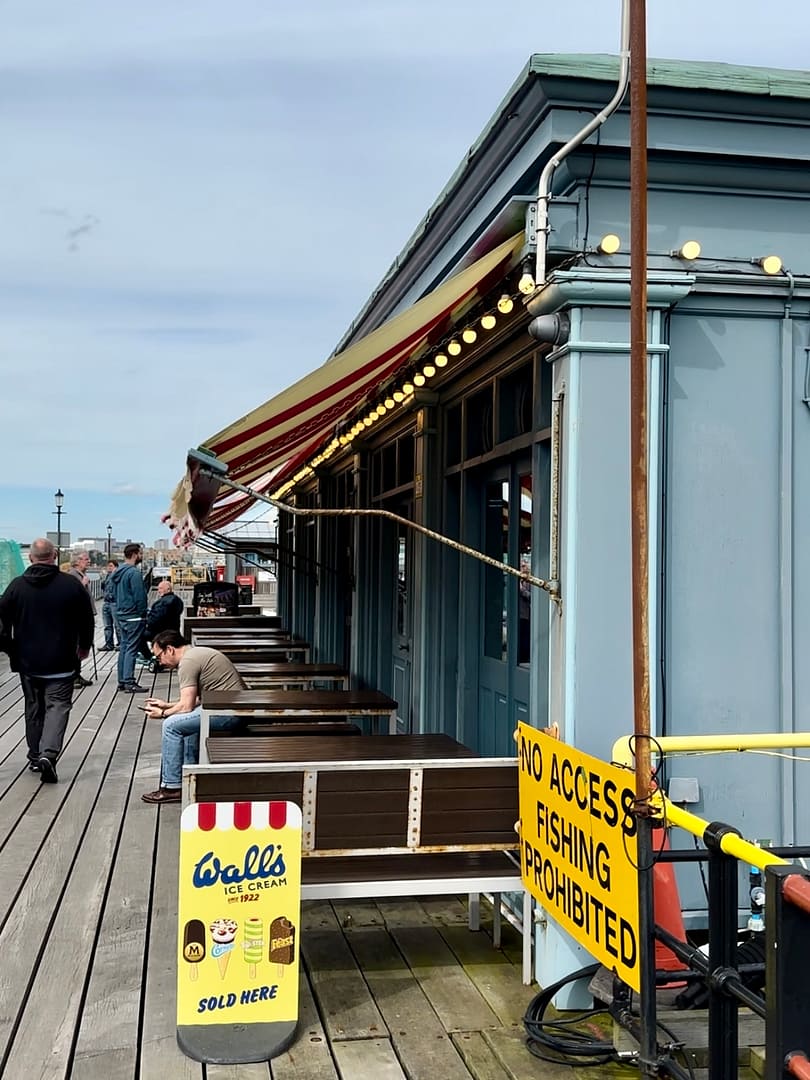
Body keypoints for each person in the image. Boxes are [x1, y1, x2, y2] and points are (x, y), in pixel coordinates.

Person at [0, 538, 94, 783]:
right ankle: (49, 755)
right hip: (62, 660)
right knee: (58, 707)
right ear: (54, 557)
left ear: (30, 558)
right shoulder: (71, 586)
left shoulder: (16, 587)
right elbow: (87, 619)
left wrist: (12, 650)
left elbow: (1, 626)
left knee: (34, 708)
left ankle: (34, 755)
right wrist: (84, 647)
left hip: (28, 663)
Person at [140, 629, 246, 804]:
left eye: (159, 657)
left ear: (170, 650)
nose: (159, 662)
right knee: (185, 723)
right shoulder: (195, 653)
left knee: (171, 725)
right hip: (231, 709)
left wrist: (163, 713)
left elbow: (187, 706)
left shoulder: (187, 663)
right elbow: (195, 700)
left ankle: (172, 787)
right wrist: (169, 705)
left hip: (229, 714)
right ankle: (191, 776)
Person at [108, 543, 148, 693]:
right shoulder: (134, 573)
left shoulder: (117, 573)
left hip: (121, 614)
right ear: (135, 554)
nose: (142, 556)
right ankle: (129, 681)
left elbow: (110, 593)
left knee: (124, 647)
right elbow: (140, 596)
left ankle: (122, 680)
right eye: (141, 553)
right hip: (134, 616)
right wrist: (143, 613)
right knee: (131, 648)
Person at [67, 551, 95, 687]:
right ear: (77, 561)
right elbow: (72, 594)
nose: (88, 561)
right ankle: (72, 676)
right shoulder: (72, 575)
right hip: (76, 617)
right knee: (75, 647)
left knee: (80, 646)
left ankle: (77, 674)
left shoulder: (80, 574)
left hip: (83, 616)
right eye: (86, 559)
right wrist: (82, 584)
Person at [143, 580, 184, 672]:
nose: (158, 590)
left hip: (160, 632)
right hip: (173, 632)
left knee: (138, 637)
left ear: (168, 589)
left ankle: (150, 657)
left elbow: (154, 620)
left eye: (161, 588)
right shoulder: (178, 600)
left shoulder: (162, 603)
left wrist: (146, 623)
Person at [99, 559, 119, 651]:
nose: (109, 568)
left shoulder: (117, 576)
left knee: (117, 625)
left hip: (114, 602)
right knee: (107, 625)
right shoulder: (107, 576)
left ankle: (120, 643)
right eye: (108, 566)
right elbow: (103, 586)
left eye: (111, 566)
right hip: (106, 602)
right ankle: (109, 643)